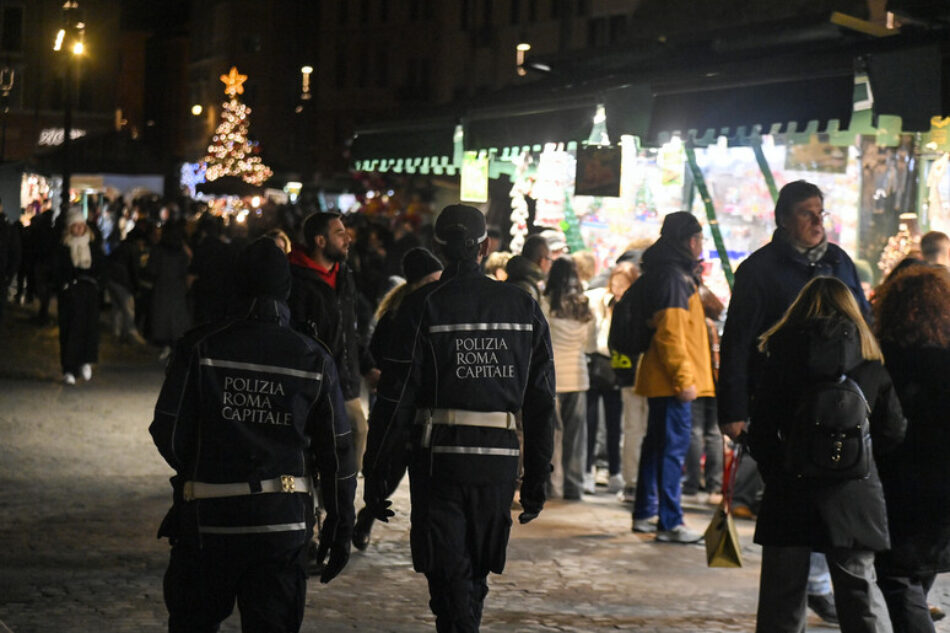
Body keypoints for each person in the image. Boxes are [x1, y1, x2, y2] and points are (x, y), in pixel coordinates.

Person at [362, 204, 556, 633]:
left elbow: (395, 401)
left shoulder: (420, 306)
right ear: (486, 247)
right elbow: (541, 402)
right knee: (475, 572)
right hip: (498, 461)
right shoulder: (522, 307)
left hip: (439, 460)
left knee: (447, 573)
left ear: (438, 247)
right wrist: (539, 476)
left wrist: (377, 474)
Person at [149, 238, 356, 633]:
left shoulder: (201, 346)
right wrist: (339, 523)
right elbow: (337, 451)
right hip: (280, 525)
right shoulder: (312, 357)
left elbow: (168, 431)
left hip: (209, 519)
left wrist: (206, 467)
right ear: (286, 290)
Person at [717, 180, 871, 623]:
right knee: (789, 514)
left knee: (839, 506)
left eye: (821, 211)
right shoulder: (759, 270)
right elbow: (738, 342)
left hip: (841, 411)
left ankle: (822, 587)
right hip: (783, 411)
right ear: (783, 219)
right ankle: (795, 602)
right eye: (807, 212)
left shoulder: (839, 262)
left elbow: (864, 325)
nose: (818, 221)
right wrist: (733, 410)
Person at [749, 276, 905, 633]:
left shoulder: (780, 356)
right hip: (853, 490)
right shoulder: (870, 361)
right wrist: (859, 463)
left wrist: (780, 469)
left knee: (782, 594)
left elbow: (760, 430)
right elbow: (893, 429)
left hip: (791, 488)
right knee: (860, 588)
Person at [872, 265, 950, 633]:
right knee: (916, 573)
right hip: (941, 489)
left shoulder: (882, 362)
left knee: (897, 576)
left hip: (897, 485)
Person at [352, 246, 443, 551]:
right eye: (434, 278)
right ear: (419, 281)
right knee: (393, 466)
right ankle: (367, 516)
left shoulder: (433, 308)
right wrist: (381, 375)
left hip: (426, 402)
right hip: (398, 401)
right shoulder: (399, 312)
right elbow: (377, 348)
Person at [631, 211, 713, 544]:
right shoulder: (675, 278)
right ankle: (669, 521)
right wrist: (684, 380)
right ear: (691, 241)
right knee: (670, 450)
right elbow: (670, 335)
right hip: (672, 382)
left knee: (657, 447)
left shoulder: (664, 272)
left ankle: (645, 513)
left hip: (662, 379)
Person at [289, 212, 375, 472]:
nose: (348, 239)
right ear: (320, 241)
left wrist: (368, 366)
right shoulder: (296, 279)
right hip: (311, 384)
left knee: (358, 432)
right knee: (317, 445)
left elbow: (351, 331)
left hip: (345, 382)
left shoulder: (344, 275)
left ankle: (337, 503)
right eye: (339, 233)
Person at [542, 256, 594, 500]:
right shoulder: (585, 306)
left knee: (551, 434)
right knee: (576, 436)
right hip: (578, 376)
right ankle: (574, 486)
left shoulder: (545, 303)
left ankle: (551, 486)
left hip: (552, 376)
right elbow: (590, 344)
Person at [584, 263, 630, 495]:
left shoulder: (628, 306)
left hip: (616, 369)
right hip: (596, 366)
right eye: (616, 283)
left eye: (623, 284)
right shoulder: (597, 300)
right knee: (590, 423)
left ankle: (615, 472)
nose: (618, 288)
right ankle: (588, 471)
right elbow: (594, 334)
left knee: (614, 425)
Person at [56, 210, 102, 385]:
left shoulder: (93, 246)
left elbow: (101, 267)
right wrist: (65, 284)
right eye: (75, 226)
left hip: (89, 293)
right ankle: (69, 368)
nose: (79, 229)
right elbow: (58, 269)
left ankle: (85, 361)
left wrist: (97, 283)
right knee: (70, 331)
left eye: (81, 226)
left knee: (88, 329)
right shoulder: (63, 247)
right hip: (70, 294)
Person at [148, 220, 192, 360]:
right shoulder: (181, 250)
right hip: (178, 287)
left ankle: (166, 346)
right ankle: (176, 346)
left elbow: (152, 269)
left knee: (163, 317)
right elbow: (187, 265)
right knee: (177, 317)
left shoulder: (158, 249)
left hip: (162, 286)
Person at [504, 233, 551, 302]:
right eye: (549, 259)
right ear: (542, 261)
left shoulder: (515, 278)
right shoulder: (528, 289)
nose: (550, 264)